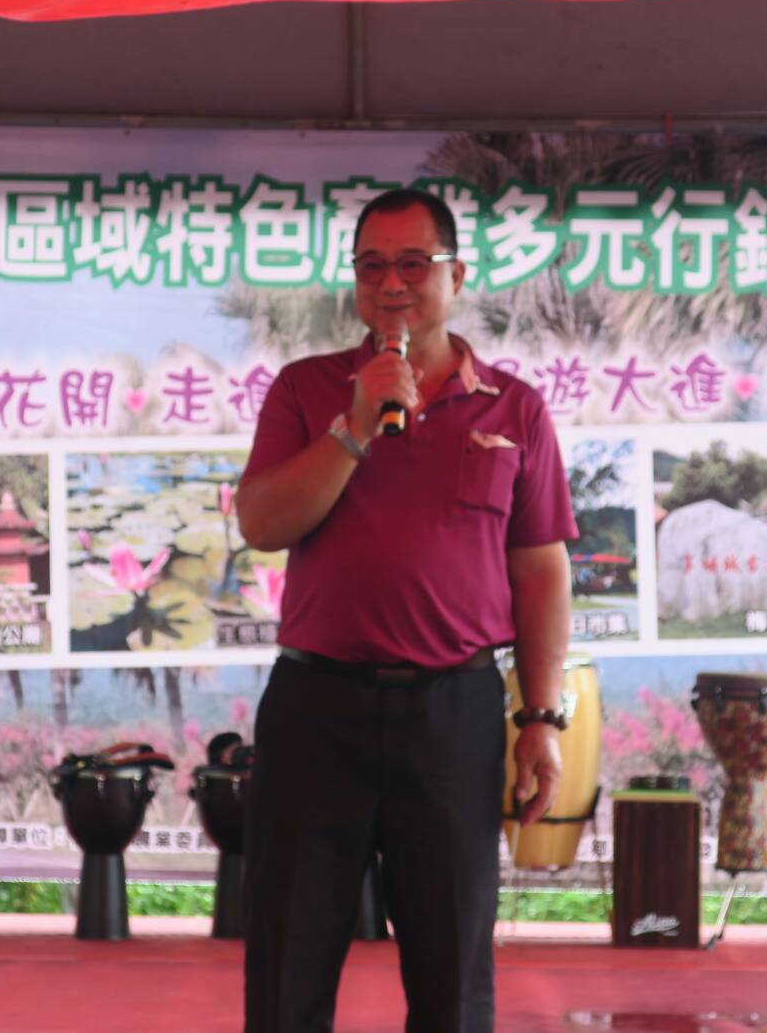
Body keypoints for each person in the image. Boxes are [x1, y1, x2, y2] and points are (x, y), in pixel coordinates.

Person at [235, 187, 578, 1033]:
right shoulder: (307, 389)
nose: (392, 282)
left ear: (456, 276)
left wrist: (540, 718)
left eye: (413, 263)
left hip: (452, 712)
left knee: (453, 969)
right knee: (288, 960)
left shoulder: (514, 406)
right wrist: (353, 427)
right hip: (318, 709)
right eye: (371, 265)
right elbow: (262, 523)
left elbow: (540, 573)